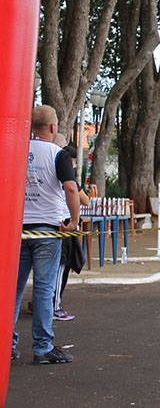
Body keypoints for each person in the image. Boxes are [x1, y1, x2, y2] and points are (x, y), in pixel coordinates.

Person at [12, 105, 80, 364]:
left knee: (14, 289)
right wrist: (74, 220)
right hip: (48, 230)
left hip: (19, 229)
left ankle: (7, 343)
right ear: (53, 127)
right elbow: (70, 188)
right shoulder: (57, 154)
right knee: (43, 289)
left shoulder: (19, 151)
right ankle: (42, 347)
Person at [52, 142, 90, 321]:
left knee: (45, 270)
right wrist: (74, 220)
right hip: (64, 224)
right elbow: (84, 199)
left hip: (49, 222)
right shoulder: (68, 178)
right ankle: (55, 306)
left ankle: (39, 303)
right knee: (61, 267)